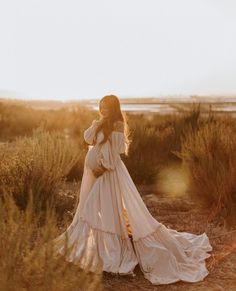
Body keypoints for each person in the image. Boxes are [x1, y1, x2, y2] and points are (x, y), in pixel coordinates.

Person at [52, 94, 213, 285]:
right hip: (94, 174)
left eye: (106, 107)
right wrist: (97, 123)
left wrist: (102, 167)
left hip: (107, 174)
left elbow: (116, 151)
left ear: (114, 108)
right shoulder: (102, 122)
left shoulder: (118, 124)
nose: (103, 110)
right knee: (91, 208)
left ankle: (112, 251)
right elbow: (88, 138)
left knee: (96, 209)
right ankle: (95, 247)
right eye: (100, 106)